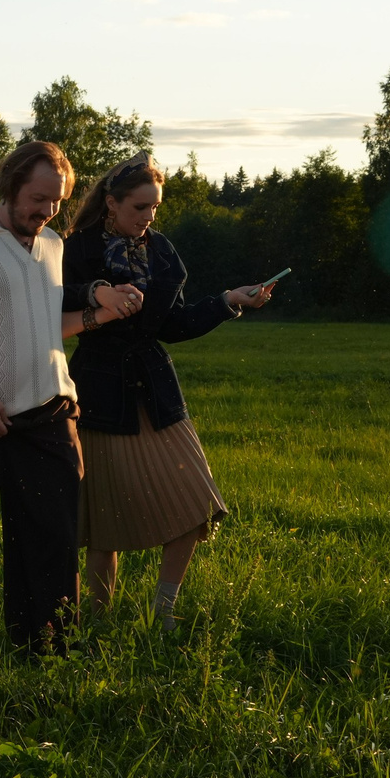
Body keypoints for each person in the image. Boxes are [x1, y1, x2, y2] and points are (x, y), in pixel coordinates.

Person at [0, 140, 144, 655]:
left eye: (57, 202)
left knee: (51, 540)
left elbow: (44, 328)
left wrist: (99, 314)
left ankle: (41, 650)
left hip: (49, 411)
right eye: (38, 199)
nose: (46, 212)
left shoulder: (53, 246)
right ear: (11, 183)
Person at [59, 152, 274, 632]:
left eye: (154, 208)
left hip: (157, 392)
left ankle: (164, 609)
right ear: (111, 203)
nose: (149, 217)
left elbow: (172, 324)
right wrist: (98, 292)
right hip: (98, 391)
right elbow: (56, 302)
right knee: (104, 521)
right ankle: (97, 620)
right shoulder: (74, 249)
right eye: (140, 207)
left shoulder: (161, 252)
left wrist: (226, 302)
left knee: (195, 503)